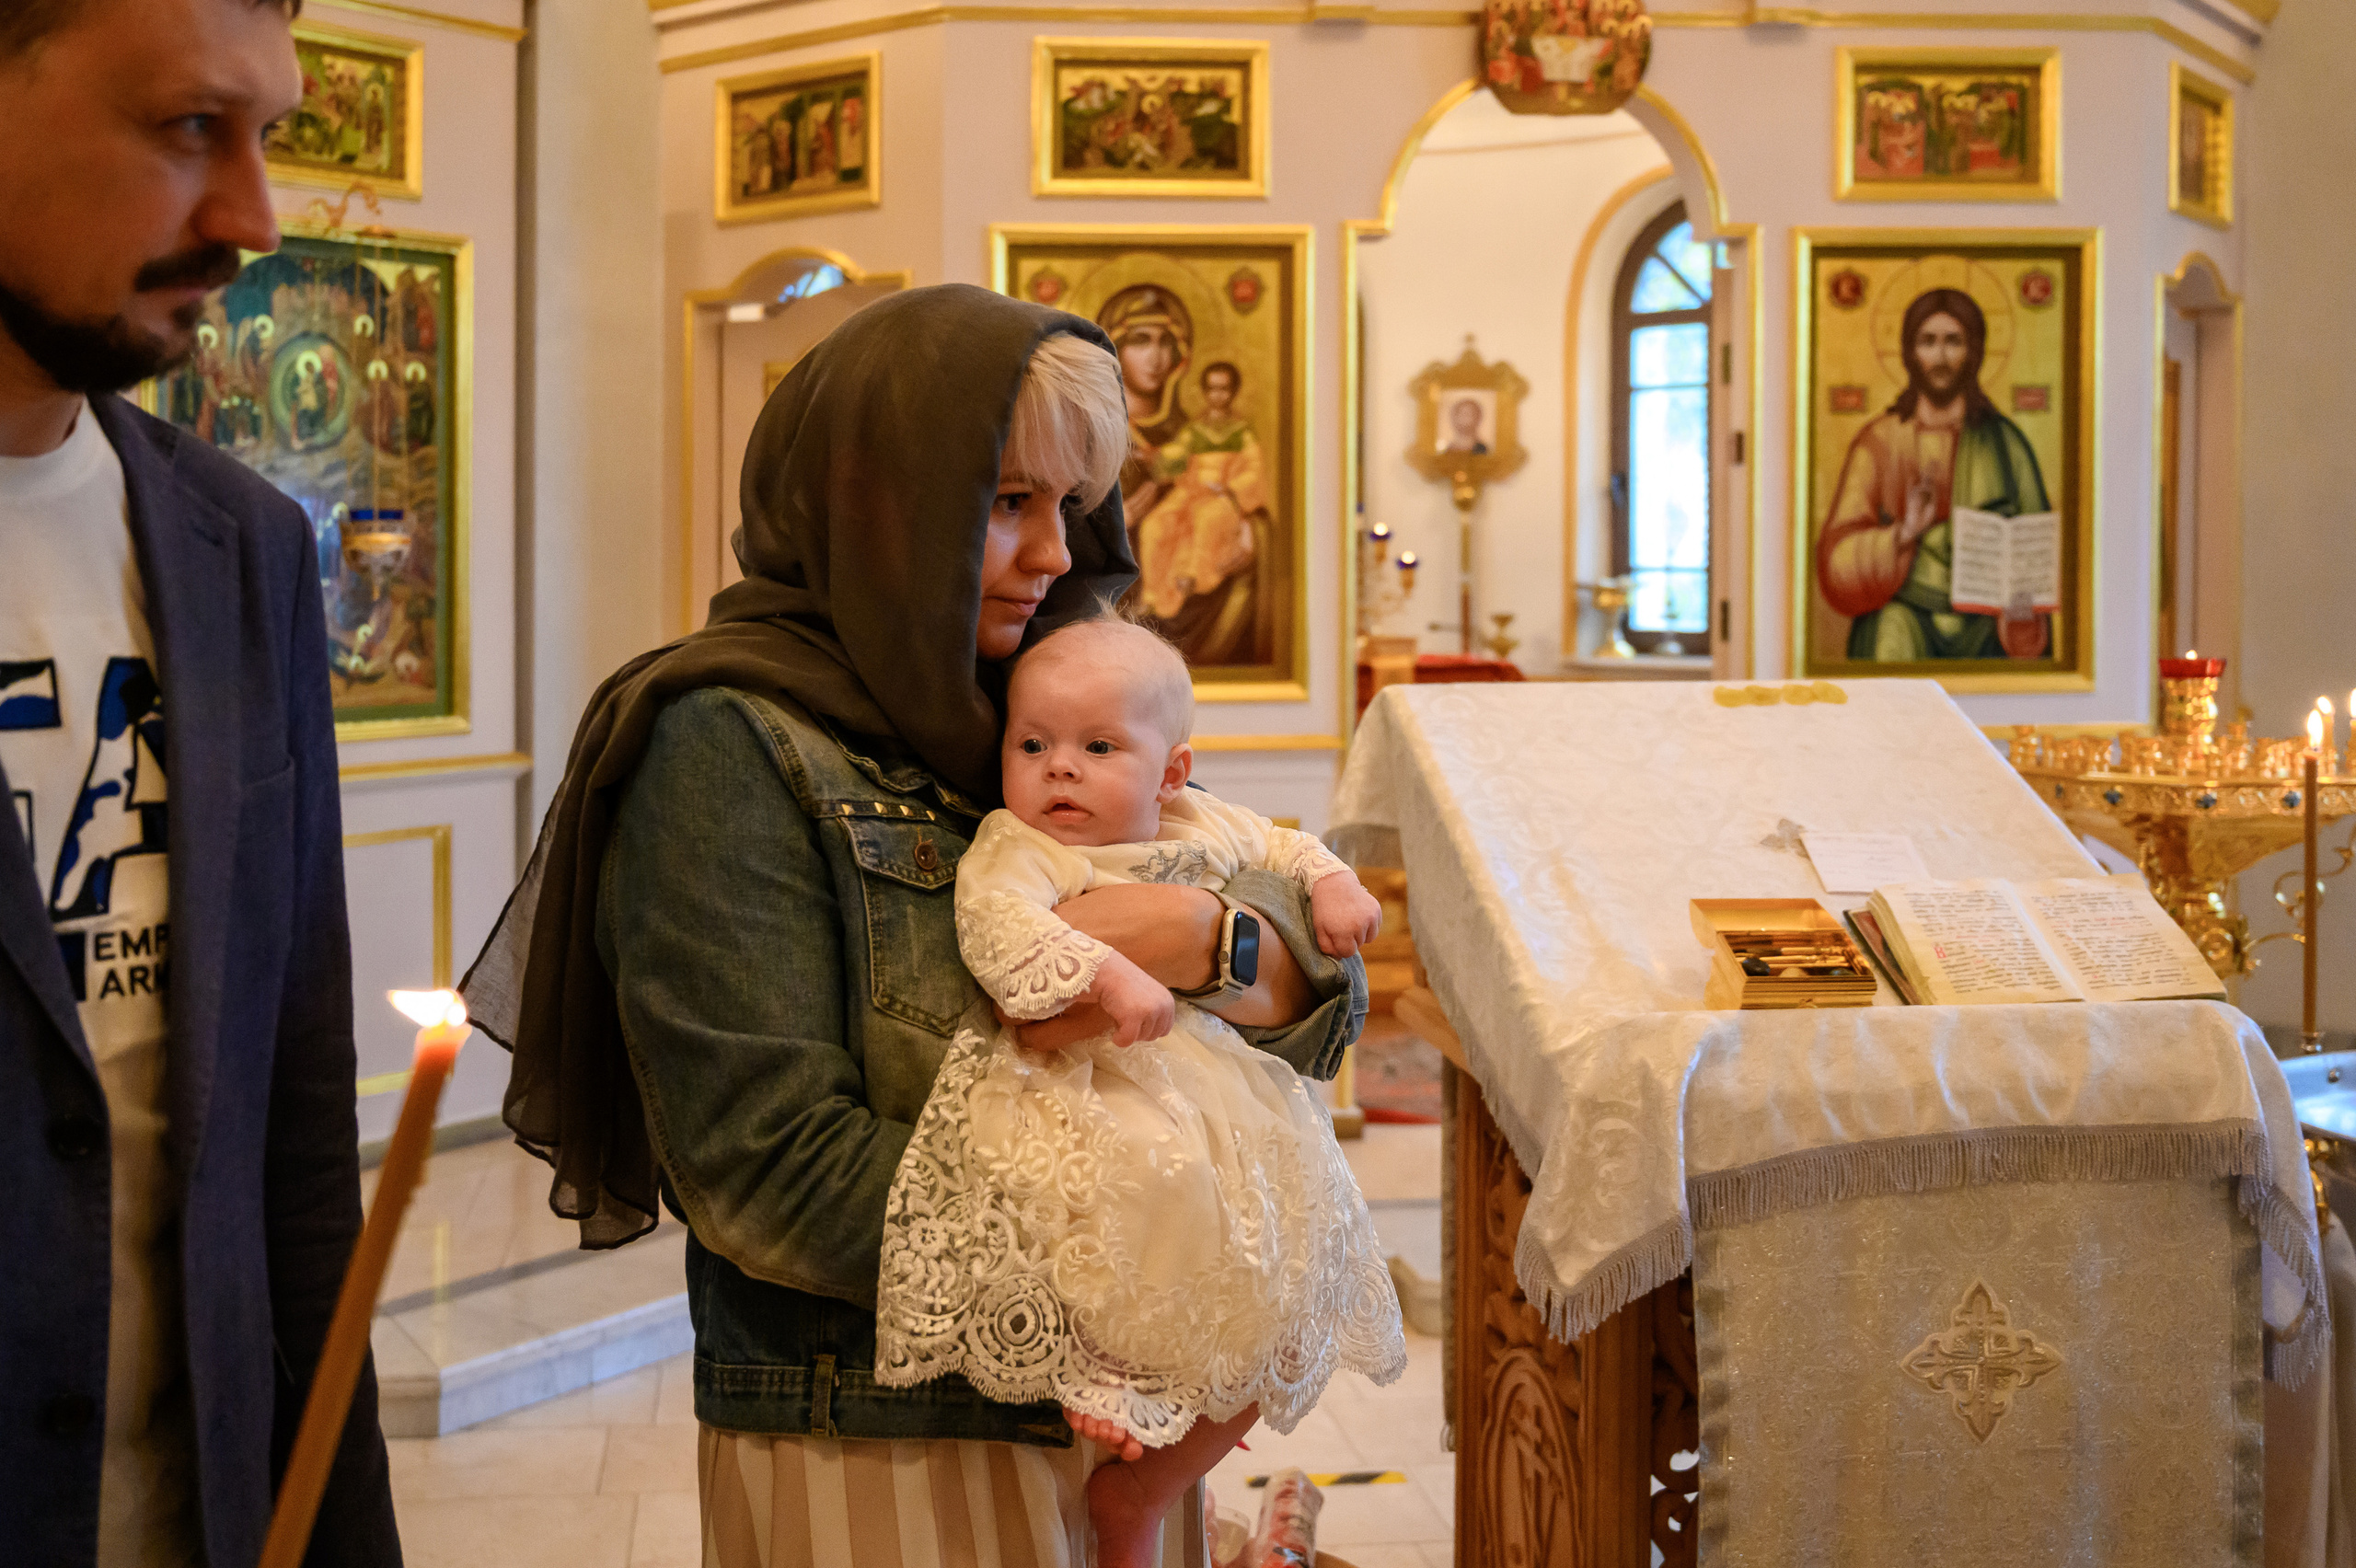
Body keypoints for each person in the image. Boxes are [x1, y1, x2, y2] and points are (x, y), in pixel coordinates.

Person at [460, 284, 1365, 1567]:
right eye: (1007, 503)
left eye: (1071, 505)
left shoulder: (1051, 702)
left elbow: (1324, 1006)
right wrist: (1130, 1265)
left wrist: (1206, 937)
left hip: (1117, 1425)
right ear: (878, 504)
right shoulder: (729, 740)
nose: (1056, 553)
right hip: (881, 1433)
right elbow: (762, 1171)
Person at [0, 0, 401, 1563]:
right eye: (187, 129)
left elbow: (291, 1128)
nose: (253, 217)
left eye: (270, 137)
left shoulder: (238, 545)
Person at [875, 614, 1405, 1567]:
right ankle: (1110, 1375)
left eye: (1097, 746)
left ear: (1171, 771)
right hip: (1093, 1081)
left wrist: (1333, 889)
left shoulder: (1203, 821)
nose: (1058, 769)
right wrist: (1111, 974)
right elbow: (995, 925)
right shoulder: (1023, 844)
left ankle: (1149, 1488)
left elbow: (1288, 851)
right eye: (1031, 745)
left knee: (1309, 1268)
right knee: (1141, 1187)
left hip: (1218, 1091)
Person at [1814, 286, 2051, 662]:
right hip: (1904, 613)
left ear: (1973, 351)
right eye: (1928, 342)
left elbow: (2036, 552)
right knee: (1892, 634)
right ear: (1910, 352)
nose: (1940, 357)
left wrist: (2018, 611)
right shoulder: (1880, 442)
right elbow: (1836, 561)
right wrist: (1904, 533)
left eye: (1953, 342)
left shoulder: (2006, 445)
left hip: (1987, 625)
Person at [1133, 362, 1265, 621]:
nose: (1218, 396)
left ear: (1233, 392)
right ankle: (1151, 595)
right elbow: (1177, 455)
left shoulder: (1242, 432)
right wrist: (1155, 456)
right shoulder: (1195, 430)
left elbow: (1254, 469)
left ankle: (1193, 577)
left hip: (1224, 495)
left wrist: (1231, 489)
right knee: (1155, 524)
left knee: (1206, 517)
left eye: (1224, 389)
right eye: (1212, 389)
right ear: (1205, 392)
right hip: (1191, 490)